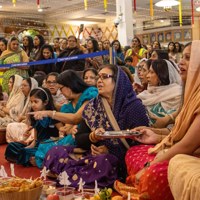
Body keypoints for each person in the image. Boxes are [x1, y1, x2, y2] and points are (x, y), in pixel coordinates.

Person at [114, 41, 199, 200]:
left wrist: (150, 165)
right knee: (134, 151)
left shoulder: (188, 95)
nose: (180, 62)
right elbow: (178, 132)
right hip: (182, 146)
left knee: (155, 173)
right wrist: (155, 135)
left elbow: (188, 144)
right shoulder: (192, 94)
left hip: (191, 153)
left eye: (188, 58)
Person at [43, 64, 149, 188]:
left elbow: (140, 144)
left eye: (105, 77)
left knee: (103, 163)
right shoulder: (94, 105)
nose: (99, 80)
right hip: (93, 156)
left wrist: (110, 150)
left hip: (117, 160)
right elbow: (79, 138)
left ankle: (69, 174)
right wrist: (93, 138)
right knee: (56, 151)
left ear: (118, 81)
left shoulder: (133, 107)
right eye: (98, 77)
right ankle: (75, 176)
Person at [34, 70, 98, 168]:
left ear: (69, 85)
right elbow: (68, 128)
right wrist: (69, 129)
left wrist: (50, 113)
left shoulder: (90, 94)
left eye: (61, 88)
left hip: (91, 135)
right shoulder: (68, 106)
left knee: (54, 150)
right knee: (43, 146)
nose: (60, 92)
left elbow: (76, 118)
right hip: (74, 137)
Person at [5, 87, 62, 166]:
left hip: (49, 146)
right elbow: (35, 139)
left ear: (45, 102)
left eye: (36, 102)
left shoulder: (53, 115)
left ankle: (36, 159)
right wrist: (28, 147)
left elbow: (61, 131)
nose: (33, 105)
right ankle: (33, 158)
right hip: (37, 146)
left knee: (25, 152)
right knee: (12, 146)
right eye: (31, 102)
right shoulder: (34, 115)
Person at [137, 59, 182, 127]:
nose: (147, 76)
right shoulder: (145, 95)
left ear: (161, 74)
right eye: (148, 72)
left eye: (152, 72)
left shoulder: (177, 94)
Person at [6, 77, 38, 143]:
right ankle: (19, 142)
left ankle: (23, 142)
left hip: (33, 125)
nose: (22, 87)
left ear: (31, 86)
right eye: (21, 85)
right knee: (11, 126)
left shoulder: (36, 98)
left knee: (11, 125)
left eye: (25, 85)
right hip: (26, 123)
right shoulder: (24, 98)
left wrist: (22, 118)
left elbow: (32, 116)